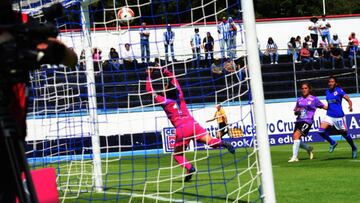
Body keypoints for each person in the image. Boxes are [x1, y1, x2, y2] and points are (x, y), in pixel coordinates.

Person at [145, 61, 235, 182]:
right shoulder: (180, 96)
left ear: (166, 90)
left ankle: (189, 167)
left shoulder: (164, 102)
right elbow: (173, 79)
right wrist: (163, 70)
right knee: (211, 142)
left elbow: (149, 90)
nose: (165, 86)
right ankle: (223, 143)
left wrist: (149, 75)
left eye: (165, 86)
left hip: (182, 129)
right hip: (194, 125)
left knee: (177, 155)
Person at [317, 76, 357, 159]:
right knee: (320, 131)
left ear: (336, 83)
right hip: (329, 115)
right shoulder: (327, 91)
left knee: (345, 134)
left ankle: (353, 147)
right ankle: (332, 142)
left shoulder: (339, 91)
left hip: (339, 117)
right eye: (329, 82)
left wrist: (350, 106)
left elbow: (349, 100)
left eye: (332, 82)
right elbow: (329, 104)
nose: (330, 83)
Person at [288, 83, 327, 162]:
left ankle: (295, 157)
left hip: (307, 120)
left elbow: (324, 107)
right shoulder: (299, 100)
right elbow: (295, 111)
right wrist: (297, 111)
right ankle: (308, 148)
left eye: (305, 88)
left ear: (309, 89)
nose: (304, 90)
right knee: (295, 138)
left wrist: (334, 109)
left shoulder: (314, 99)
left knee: (296, 135)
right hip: (299, 120)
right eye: (302, 88)